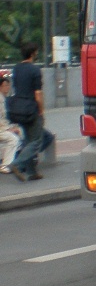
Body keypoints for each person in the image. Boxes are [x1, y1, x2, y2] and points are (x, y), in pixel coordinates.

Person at [6, 43, 45, 182]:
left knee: (28, 140)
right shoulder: (35, 70)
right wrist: (41, 110)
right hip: (31, 109)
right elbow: (38, 94)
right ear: (33, 53)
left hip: (18, 109)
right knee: (36, 141)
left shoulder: (16, 69)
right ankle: (16, 164)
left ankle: (32, 172)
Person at [0, 75, 22, 173]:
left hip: (3, 127)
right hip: (1, 129)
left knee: (20, 132)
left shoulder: (4, 99)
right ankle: (6, 165)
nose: (7, 88)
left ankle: (16, 161)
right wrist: (8, 129)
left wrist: (12, 127)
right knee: (13, 139)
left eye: (8, 85)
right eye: (5, 85)